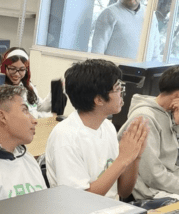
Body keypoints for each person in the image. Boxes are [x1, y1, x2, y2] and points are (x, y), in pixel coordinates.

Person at [45, 59, 147, 200]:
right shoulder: (65, 137)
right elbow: (80, 202)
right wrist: (123, 159)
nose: (121, 94)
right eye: (117, 89)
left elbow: (123, 192)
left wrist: (135, 157)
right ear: (99, 100)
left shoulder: (107, 126)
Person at [118, 65, 179, 200]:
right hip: (153, 193)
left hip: (173, 187)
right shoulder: (144, 118)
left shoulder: (174, 114)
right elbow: (153, 175)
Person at [91, 0, 160, 60]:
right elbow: (97, 49)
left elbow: (155, 50)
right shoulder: (109, 13)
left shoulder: (150, 14)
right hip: (114, 71)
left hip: (144, 70)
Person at [0, 47, 52, 118]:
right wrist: (49, 116)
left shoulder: (28, 86)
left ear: (26, 70)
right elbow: (23, 116)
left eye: (21, 69)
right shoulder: (1, 89)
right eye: (12, 69)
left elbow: (40, 107)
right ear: (5, 67)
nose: (17, 74)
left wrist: (55, 92)